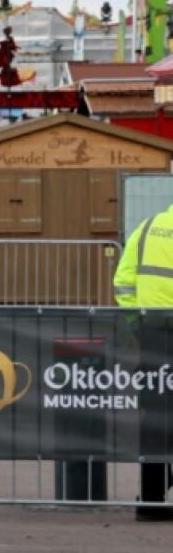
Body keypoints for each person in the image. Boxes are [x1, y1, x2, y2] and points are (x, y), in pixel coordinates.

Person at [114, 205, 173, 521]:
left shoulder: (148, 227)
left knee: (154, 418)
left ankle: (151, 500)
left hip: (153, 336)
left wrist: (135, 322)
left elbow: (123, 281)